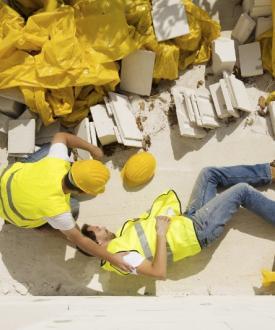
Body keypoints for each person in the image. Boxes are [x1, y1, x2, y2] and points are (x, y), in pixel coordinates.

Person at [80, 162, 275, 278]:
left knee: (209, 175)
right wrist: (161, 232)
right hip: (198, 230)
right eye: (96, 228)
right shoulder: (120, 257)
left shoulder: (121, 240)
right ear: (96, 242)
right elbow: (159, 272)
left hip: (188, 220)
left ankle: (269, 172)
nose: (100, 225)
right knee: (241, 191)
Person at [0, 131, 132, 272]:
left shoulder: (57, 162)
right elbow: (80, 240)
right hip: (12, 216)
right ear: (82, 191)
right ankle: (40, 227)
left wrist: (93, 149)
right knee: (74, 207)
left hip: (6, 179)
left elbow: (61, 136)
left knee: (57, 148)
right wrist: (112, 258)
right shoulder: (58, 210)